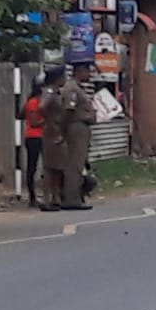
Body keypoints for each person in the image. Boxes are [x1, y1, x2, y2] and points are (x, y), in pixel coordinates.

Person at [61, 62, 97, 210]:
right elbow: (68, 111)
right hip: (76, 128)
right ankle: (71, 198)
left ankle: (75, 195)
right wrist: (63, 131)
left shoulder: (77, 88)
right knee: (75, 164)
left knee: (79, 164)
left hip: (81, 128)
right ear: (80, 71)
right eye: (87, 72)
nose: (89, 75)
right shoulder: (73, 89)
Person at [38, 67, 67, 212]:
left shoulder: (58, 93)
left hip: (59, 132)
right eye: (63, 77)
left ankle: (56, 197)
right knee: (49, 168)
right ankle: (46, 199)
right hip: (51, 133)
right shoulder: (49, 92)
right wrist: (50, 121)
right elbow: (42, 107)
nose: (65, 79)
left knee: (58, 167)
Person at [20, 76, 46, 207]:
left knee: (43, 167)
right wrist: (47, 119)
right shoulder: (33, 103)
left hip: (38, 137)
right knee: (32, 168)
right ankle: (32, 198)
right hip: (34, 137)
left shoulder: (34, 102)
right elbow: (35, 122)